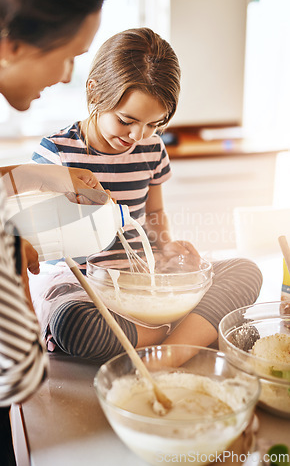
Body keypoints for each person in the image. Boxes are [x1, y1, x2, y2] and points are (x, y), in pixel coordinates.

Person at [0, 0, 107, 465]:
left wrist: (36, 180)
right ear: (11, 43)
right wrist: (9, 248)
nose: (65, 76)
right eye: (69, 56)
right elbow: (9, 371)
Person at [32, 27, 263, 362]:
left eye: (153, 125)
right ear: (94, 90)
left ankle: (161, 351)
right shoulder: (56, 152)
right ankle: (178, 332)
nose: (137, 136)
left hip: (143, 276)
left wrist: (166, 245)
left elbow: (153, 216)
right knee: (72, 324)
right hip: (83, 284)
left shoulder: (151, 149)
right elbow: (41, 240)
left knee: (245, 270)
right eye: (127, 120)